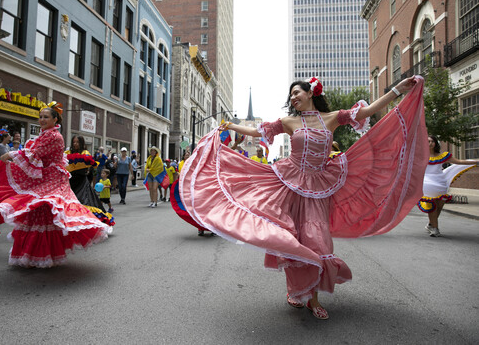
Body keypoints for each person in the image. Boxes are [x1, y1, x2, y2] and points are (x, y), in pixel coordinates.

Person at [178, 75, 427, 320]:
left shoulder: (332, 118)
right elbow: (257, 132)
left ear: (310, 93)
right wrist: (230, 125)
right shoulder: (289, 122)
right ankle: (296, 290)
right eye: (291, 95)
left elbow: (368, 110)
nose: (293, 97)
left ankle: (313, 300)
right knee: (292, 240)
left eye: (297, 92)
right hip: (289, 185)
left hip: (319, 188)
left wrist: (398, 89)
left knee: (317, 242)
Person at [0, 102, 110, 268]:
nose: (42, 120)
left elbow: (34, 153)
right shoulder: (45, 134)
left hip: (53, 181)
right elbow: (34, 154)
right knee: (36, 212)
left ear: (55, 119)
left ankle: (40, 255)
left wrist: (11, 154)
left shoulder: (53, 136)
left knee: (43, 211)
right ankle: (36, 254)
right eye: (41, 117)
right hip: (44, 179)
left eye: (46, 117)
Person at [418, 135, 477, 237]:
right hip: (427, 182)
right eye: (428, 141)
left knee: (439, 205)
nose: (430, 143)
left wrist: (476, 161)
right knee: (432, 204)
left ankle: (431, 224)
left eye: (432, 141)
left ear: (436, 143)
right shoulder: (420, 156)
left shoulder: (443, 156)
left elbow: (459, 162)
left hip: (440, 182)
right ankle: (435, 229)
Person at [65, 136, 114, 230]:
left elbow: (90, 165)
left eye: (77, 142)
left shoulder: (85, 153)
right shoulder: (67, 153)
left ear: (81, 143)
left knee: (84, 201)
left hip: (81, 182)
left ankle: (85, 224)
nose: (75, 144)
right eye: (74, 142)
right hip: (70, 182)